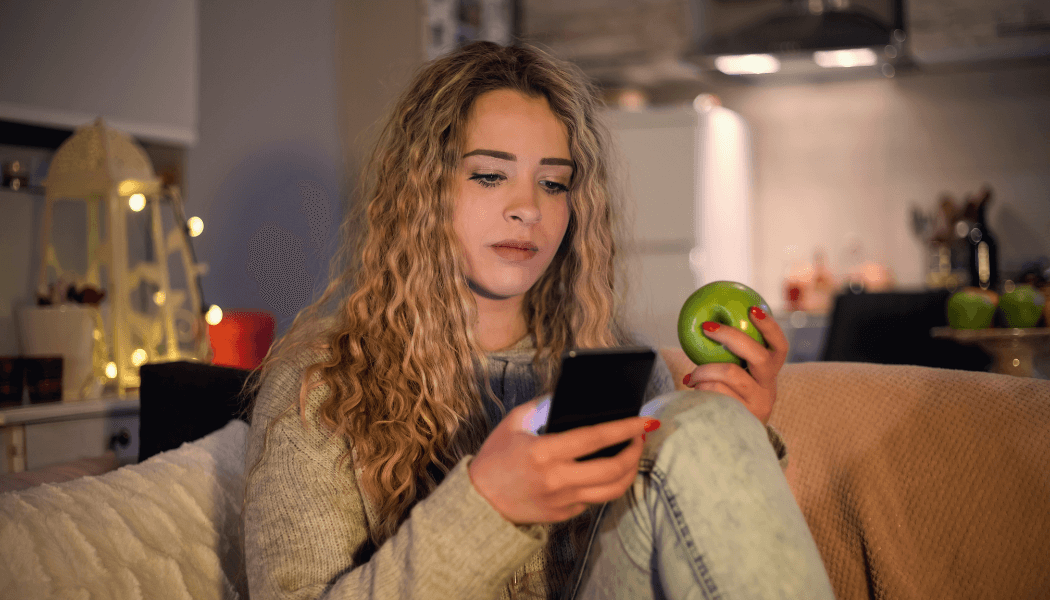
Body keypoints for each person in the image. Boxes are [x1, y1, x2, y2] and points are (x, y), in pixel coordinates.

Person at [243, 41, 834, 600]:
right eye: (490, 175)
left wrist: (737, 434)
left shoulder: (617, 364)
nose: (528, 207)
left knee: (704, 421)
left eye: (553, 183)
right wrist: (486, 504)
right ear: (422, 191)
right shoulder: (320, 383)